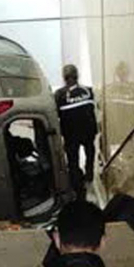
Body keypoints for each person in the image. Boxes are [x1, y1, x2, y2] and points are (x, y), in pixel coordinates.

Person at [54, 64, 99, 193]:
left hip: (71, 134)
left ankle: (77, 182)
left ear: (64, 77)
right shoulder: (88, 91)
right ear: (77, 75)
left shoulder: (59, 95)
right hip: (88, 131)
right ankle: (89, 175)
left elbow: (56, 114)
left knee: (73, 160)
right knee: (90, 152)